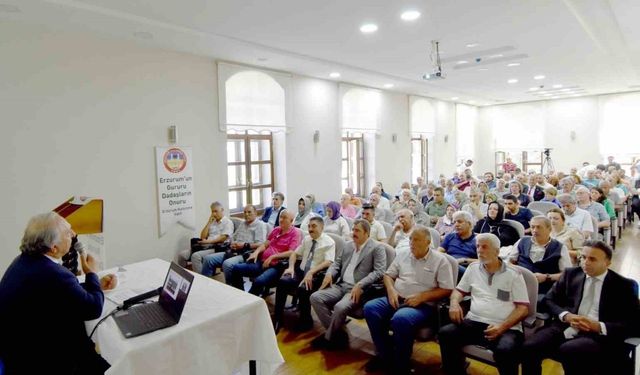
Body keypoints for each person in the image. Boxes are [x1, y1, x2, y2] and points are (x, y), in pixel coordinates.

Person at [0, 212, 116, 374]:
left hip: (18, 355)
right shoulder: (54, 274)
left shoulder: (23, 262)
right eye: (68, 232)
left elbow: (56, 292)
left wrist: (94, 285)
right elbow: (93, 308)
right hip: (45, 362)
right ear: (53, 248)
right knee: (114, 366)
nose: (74, 234)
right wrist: (92, 273)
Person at [521, 240, 640, 375]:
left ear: (607, 263)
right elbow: (548, 300)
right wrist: (565, 315)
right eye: (583, 257)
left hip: (598, 335)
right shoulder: (571, 274)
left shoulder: (623, 286)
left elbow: (634, 323)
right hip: (566, 325)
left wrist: (598, 326)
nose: (585, 262)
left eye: (592, 259)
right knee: (529, 347)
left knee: (571, 351)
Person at [363, 225, 454, 374]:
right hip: (396, 297)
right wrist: (391, 290)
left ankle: (401, 363)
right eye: (410, 239)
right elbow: (388, 275)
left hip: (422, 305)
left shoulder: (440, 261)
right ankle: (385, 354)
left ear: (428, 242)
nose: (411, 243)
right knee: (370, 308)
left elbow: (447, 289)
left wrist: (422, 296)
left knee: (401, 319)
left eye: (416, 239)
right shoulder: (404, 254)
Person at [439, 233, 529, 375]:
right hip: (475, 321)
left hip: (506, 327)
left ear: (497, 251)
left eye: (485, 247)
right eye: (477, 246)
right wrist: (454, 303)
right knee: (446, 333)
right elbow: (458, 291)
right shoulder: (473, 268)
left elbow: (523, 309)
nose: (479, 250)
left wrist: (502, 327)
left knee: (505, 350)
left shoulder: (513, 274)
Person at [310, 220, 386, 350]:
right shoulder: (348, 245)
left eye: (357, 231)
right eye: (353, 230)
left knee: (340, 307)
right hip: (341, 285)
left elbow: (379, 271)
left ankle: (328, 338)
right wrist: (329, 274)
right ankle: (337, 334)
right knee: (315, 297)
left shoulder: (377, 247)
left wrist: (361, 284)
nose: (353, 233)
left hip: (357, 290)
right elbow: (336, 263)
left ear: (366, 233)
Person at [273, 217, 335, 333]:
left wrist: (311, 272)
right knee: (282, 281)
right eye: (309, 226)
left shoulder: (329, 242)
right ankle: (278, 318)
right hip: (301, 271)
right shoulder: (307, 239)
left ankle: (306, 321)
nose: (310, 229)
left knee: (303, 289)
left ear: (322, 227)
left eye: (314, 226)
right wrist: (291, 267)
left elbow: (329, 262)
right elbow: (294, 254)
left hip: (316, 275)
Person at [229, 210, 301, 296]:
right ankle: (240, 295)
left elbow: (291, 252)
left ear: (291, 220)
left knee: (259, 281)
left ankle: (250, 301)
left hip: (276, 266)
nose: (281, 219)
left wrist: (273, 257)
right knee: (236, 268)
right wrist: (256, 252)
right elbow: (265, 244)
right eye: (280, 217)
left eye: (284, 217)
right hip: (262, 262)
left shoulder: (295, 233)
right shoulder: (276, 230)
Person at [200, 205, 267, 282]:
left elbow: (261, 244)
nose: (246, 214)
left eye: (249, 212)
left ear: (255, 213)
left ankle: (233, 288)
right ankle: (205, 284)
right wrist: (232, 243)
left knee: (227, 264)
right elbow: (233, 237)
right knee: (208, 259)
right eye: (245, 212)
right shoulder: (243, 224)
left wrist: (244, 245)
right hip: (234, 251)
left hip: (246, 253)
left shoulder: (260, 225)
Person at [508, 216, 571, 297]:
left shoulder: (560, 247)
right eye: (532, 227)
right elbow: (509, 262)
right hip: (520, 285)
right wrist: (516, 272)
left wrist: (546, 277)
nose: (535, 230)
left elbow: (566, 275)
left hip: (545, 289)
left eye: (539, 227)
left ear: (549, 229)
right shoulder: (522, 241)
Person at [178, 201, 234, 273]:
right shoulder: (213, 222)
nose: (214, 214)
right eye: (212, 212)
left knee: (195, 256)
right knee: (181, 255)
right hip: (206, 245)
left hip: (218, 247)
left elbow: (223, 238)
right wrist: (209, 222)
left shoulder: (228, 222)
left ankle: (201, 280)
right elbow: (203, 236)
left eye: (216, 211)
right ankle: (184, 275)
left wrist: (208, 241)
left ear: (222, 210)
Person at [439, 211, 477, 277]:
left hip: (467, 269)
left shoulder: (478, 240)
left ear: (469, 224)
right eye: (454, 222)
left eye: (459, 222)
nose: (456, 225)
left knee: (453, 268)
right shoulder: (450, 236)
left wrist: (464, 260)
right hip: (449, 264)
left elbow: (483, 261)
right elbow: (438, 252)